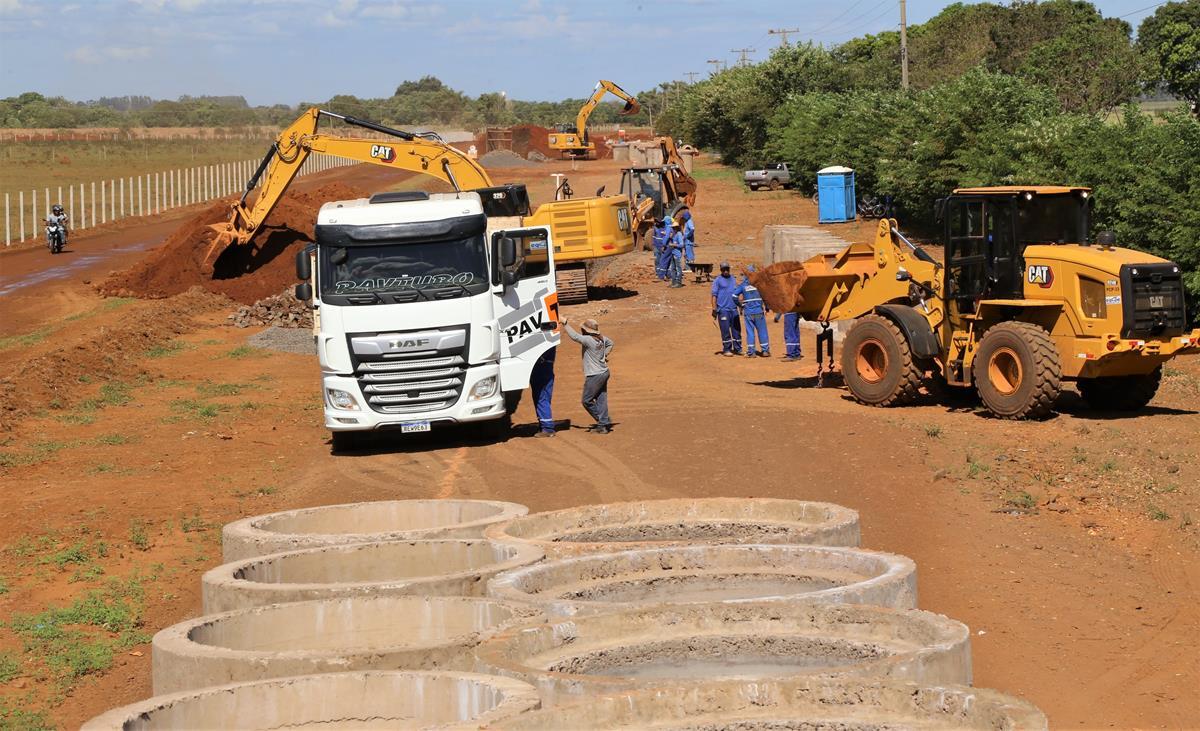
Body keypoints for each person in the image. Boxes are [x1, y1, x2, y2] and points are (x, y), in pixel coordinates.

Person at [561, 316, 614, 434]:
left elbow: (574, 337)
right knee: (601, 399)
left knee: (586, 400)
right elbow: (611, 343)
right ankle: (603, 424)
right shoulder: (601, 338)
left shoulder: (589, 340)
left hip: (595, 375)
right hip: (604, 372)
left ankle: (603, 421)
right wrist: (604, 355)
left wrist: (565, 323)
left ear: (586, 330)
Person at [735, 266, 770, 357]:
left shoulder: (743, 285)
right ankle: (765, 351)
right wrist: (767, 307)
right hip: (759, 312)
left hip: (748, 313)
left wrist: (740, 305)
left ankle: (751, 352)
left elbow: (734, 296)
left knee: (750, 332)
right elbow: (766, 296)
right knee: (762, 331)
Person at [710, 261, 742, 356]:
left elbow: (739, 292)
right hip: (723, 310)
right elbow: (714, 295)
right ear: (721, 270)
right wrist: (714, 308)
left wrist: (740, 305)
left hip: (733, 309)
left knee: (736, 330)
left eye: (727, 269)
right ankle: (727, 349)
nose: (725, 271)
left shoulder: (733, 279)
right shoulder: (717, 280)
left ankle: (738, 348)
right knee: (725, 331)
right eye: (723, 269)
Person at [529, 348, 557, 437]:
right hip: (547, 370)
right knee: (544, 398)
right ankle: (543, 424)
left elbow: (540, 358)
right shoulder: (551, 341)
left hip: (541, 371)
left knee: (541, 398)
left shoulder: (544, 344)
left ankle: (547, 428)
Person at [666, 216, 686, 288]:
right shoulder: (674, 234)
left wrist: (673, 244)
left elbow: (681, 245)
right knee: (673, 268)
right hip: (673, 253)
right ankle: (673, 282)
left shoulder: (679, 234)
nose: (672, 229)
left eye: (673, 228)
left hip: (677, 254)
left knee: (678, 268)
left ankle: (678, 282)